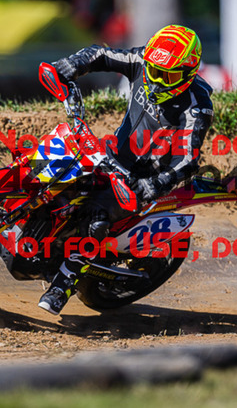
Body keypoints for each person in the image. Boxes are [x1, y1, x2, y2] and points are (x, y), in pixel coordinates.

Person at [37, 24, 214, 315]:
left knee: (96, 220)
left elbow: (187, 160)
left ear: (188, 72)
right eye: (154, 71)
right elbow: (101, 55)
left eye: (167, 75)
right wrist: (73, 64)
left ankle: (62, 284)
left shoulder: (197, 107)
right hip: (111, 155)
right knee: (55, 173)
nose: (156, 81)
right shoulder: (143, 61)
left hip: (143, 180)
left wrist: (153, 185)